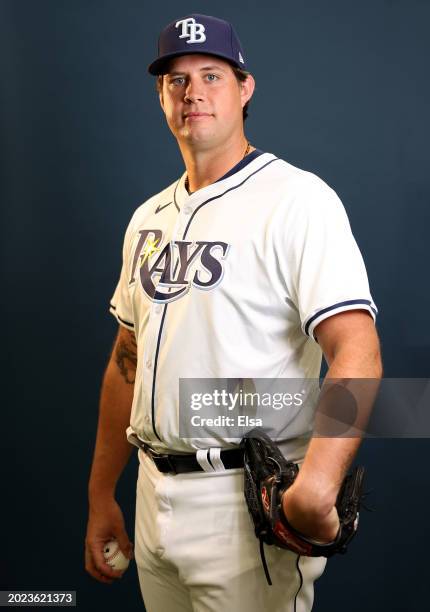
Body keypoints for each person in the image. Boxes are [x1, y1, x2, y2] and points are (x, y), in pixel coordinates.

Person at [85, 13, 382, 612]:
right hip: (151, 491)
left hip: (245, 500)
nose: (192, 91)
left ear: (244, 89)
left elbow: (358, 352)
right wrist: (100, 494)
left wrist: (319, 483)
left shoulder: (298, 200)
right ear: (161, 96)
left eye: (212, 75)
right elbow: (127, 361)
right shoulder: (148, 218)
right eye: (176, 79)